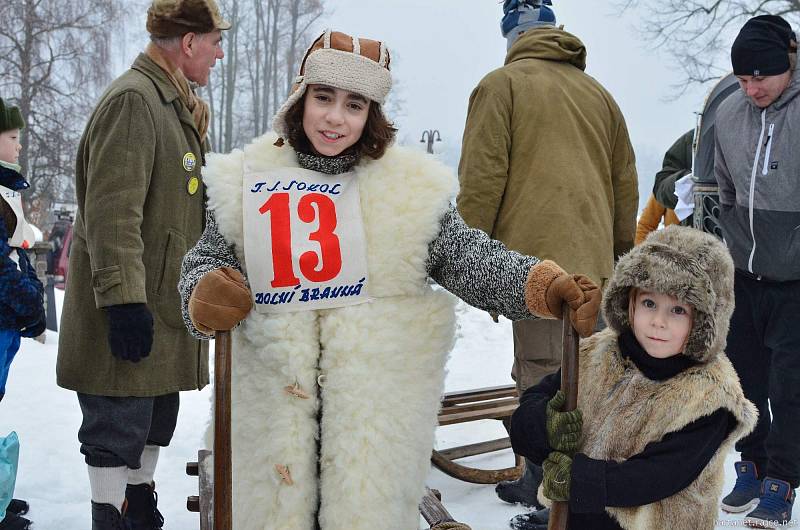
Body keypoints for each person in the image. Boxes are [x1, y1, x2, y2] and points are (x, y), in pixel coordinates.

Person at [177, 29, 602, 530]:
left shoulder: (409, 193)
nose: (336, 117)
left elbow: (468, 257)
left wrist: (538, 284)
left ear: (372, 113)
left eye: (354, 104)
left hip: (371, 419)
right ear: (300, 98)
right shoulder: (246, 179)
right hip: (272, 411)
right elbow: (202, 261)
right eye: (323, 97)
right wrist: (204, 290)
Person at [456, 0, 638, 515]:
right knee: (591, 377)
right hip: (597, 269)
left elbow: (482, 180)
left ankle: (549, 492)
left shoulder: (501, 85)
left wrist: (473, 263)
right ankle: (588, 483)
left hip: (534, 269)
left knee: (541, 377)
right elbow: (626, 185)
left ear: (511, 35)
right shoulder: (601, 96)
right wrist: (619, 260)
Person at [55, 2, 229, 529]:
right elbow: (112, 212)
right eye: (215, 41)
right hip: (131, 308)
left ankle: (137, 505)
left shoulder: (174, 105)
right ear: (189, 41)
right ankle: (111, 516)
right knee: (116, 428)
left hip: (160, 306)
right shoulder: (135, 100)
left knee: (153, 420)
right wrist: (124, 301)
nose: (220, 52)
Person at [509, 226, 757, 530]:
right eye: (649, 303)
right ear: (630, 301)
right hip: (578, 520)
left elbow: (658, 475)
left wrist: (577, 479)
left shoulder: (708, 397)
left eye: (677, 310)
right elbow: (535, 400)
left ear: (705, 322)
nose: (658, 321)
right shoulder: (596, 353)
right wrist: (543, 424)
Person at [714, 14, 800, 526]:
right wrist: (736, 238)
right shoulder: (729, 113)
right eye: (743, 79)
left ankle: (783, 480)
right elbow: (723, 186)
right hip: (746, 276)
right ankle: (752, 464)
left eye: (761, 77)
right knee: (744, 381)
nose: (752, 89)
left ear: (787, 63)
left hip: (797, 281)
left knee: (792, 387)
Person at [0, 98, 44, 530]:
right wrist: (30, 303)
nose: (18, 147)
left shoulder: (6, 189)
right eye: (12, 138)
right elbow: (2, 268)